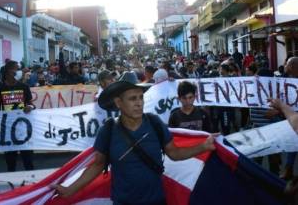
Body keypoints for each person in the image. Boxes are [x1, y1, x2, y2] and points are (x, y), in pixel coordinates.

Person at [54, 75, 217, 204]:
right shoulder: (108, 130)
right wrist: (69, 190)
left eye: (141, 97)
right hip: (123, 202)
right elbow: (97, 165)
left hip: (157, 201)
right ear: (118, 102)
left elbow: (174, 153)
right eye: (133, 99)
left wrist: (203, 146)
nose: (139, 103)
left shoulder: (155, 123)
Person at [0, 60, 35, 172]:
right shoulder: (0, 89)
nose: (20, 71)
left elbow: (31, 104)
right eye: (17, 68)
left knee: (28, 160)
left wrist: (30, 107)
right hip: (8, 130)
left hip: (23, 129)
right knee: (10, 162)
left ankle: (31, 185)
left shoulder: (24, 87)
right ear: (9, 71)